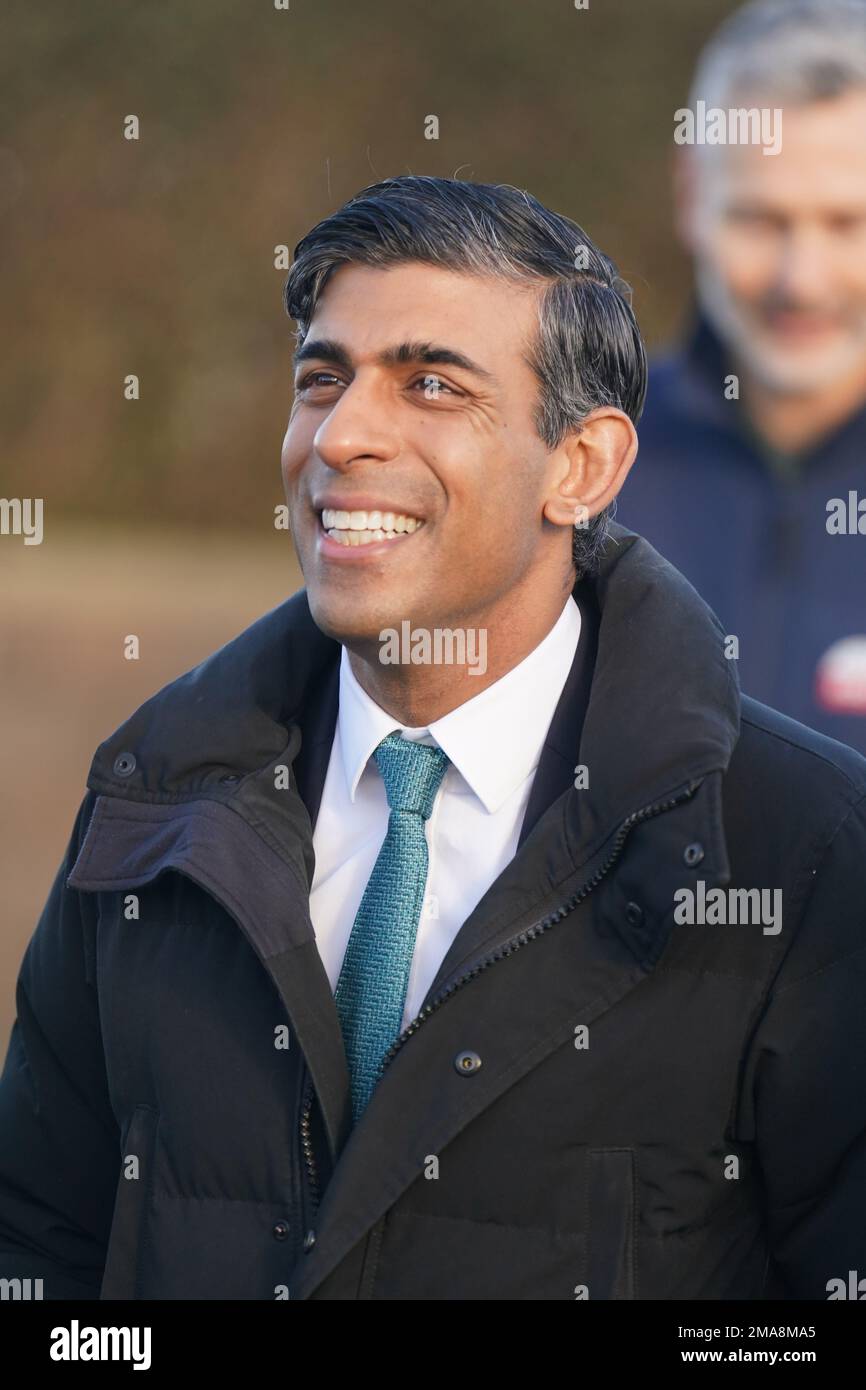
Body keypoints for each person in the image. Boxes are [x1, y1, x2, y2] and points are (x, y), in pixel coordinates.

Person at [0, 175, 864, 1302]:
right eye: (323, 378)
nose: (342, 436)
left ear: (583, 468)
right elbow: (38, 1248)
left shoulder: (803, 852)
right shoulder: (150, 805)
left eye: (430, 385)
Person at [618, 0, 866, 754]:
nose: (801, 279)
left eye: (848, 223)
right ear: (692, 195)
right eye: (761, 220)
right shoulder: (579, 473)